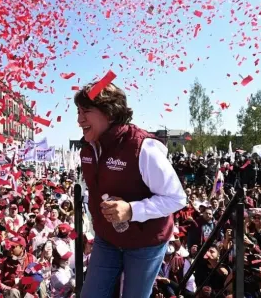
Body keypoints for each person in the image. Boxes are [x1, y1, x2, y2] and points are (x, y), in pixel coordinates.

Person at [75, 82, 186, 298]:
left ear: (109, 112)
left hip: (146, 243)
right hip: (107, 239)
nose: (79, 120)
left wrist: (132, 210)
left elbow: (176, 198)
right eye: (78, 112)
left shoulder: (143, 147)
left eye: (86, 112)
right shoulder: (88, 149)